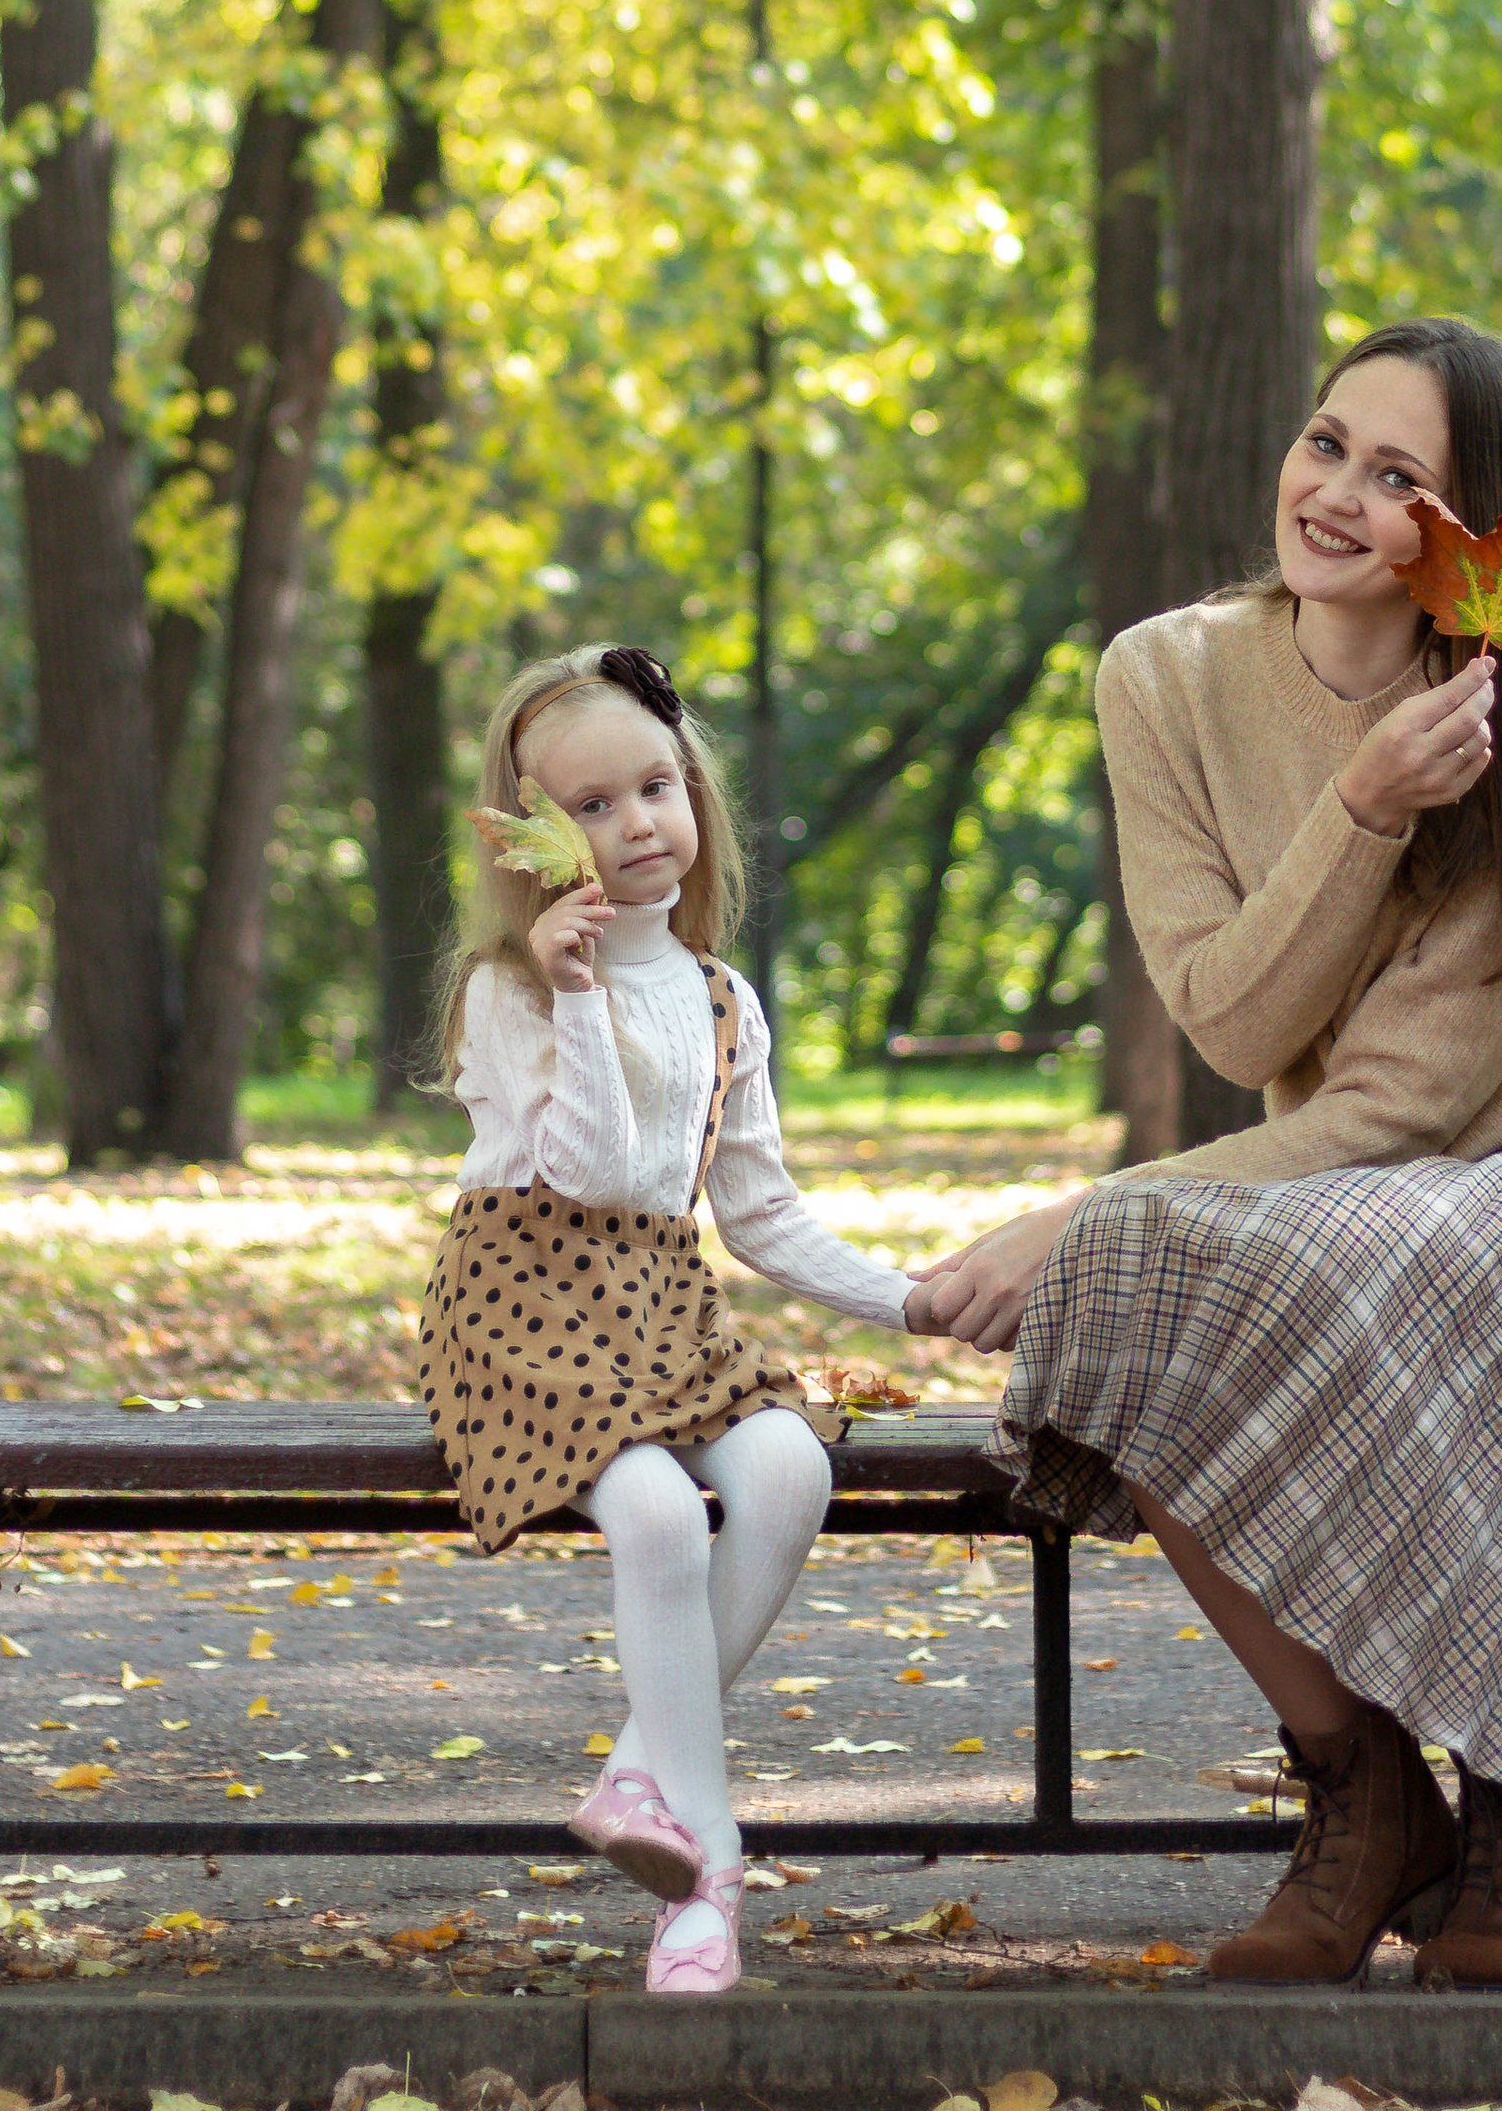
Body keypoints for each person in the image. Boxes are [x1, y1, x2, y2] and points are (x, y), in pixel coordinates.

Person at [912, 317, 1502, 1991]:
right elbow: (1239, 1031)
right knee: (1147, 1286)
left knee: (1169, 1250)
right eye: (1326, 442)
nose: (1334, 495)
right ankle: (1366, 1788)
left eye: (1400, 478)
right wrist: (1358, 809)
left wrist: (1084, 1210)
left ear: (1482, 538)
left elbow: (1410, 1104)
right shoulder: (1164, 677)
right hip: (1380, 1172)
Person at [418, 640, 934, 1997]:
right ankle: (706, 1882)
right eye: (589, 806)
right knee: (648, 1511)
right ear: (530, 839)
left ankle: (637, 1774)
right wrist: (579, 992)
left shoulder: (721, 997)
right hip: (522, 1307)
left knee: (787, 1463)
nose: (635, 823)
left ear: (692, 793)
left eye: (654, 787)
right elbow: (583, 1170)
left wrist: (913, 1298)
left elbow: (759, 1215)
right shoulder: (508, 992)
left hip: (662, 1307)